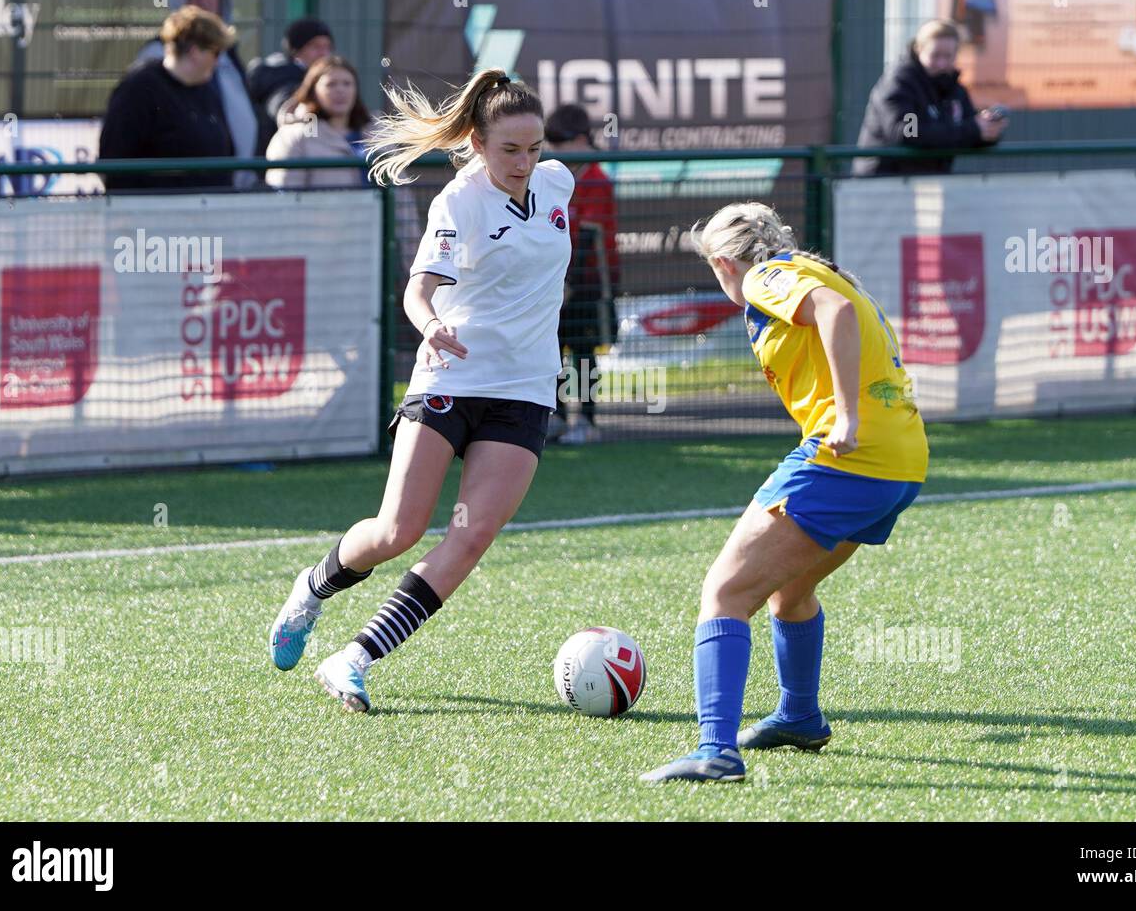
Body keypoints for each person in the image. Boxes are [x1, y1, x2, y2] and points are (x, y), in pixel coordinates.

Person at [267, 68, 575, 714]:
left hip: (524, 389)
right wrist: (432, 325)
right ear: (477, 144)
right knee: (398, 529)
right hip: (451, 378)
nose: (524, 162)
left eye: (534, 148)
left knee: (470, 536)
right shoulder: (458, 201)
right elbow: (419, 288)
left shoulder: (557, 184)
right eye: (509, 150)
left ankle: (353, 659)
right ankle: (312, 589)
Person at [641, 203, 928, 783]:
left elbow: (836, 314)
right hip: (901, 462)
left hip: (848, 459)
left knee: (724, 591)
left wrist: (845, 417)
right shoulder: (816, 268)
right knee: (788, 591)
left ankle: (714, 750)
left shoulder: (763, 277)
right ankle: (799, 715)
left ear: (723, 261)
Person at [133, 0, 258, 186]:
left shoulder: (229, 54)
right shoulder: (154, 58)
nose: (203, 3)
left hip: (231, 186)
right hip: (181, 193)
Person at [543, 104, 621, 444]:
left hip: (589, 283)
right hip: (557, 281)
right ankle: (556, 415)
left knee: (585, 352)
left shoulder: (595, 177)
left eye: (559, 144)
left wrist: (570, 283)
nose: (553, 152)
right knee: (552, 349)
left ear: (578, 140)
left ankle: (587, 420)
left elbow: (589, 237)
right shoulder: (554, 175)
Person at [98, 6, 235, 191]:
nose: (218, 62)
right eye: (216, 53)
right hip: (155, 213)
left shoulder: (207, 90)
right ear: (195, 52)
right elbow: (114, 159)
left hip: (206, 210)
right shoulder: (139, 88)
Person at [853, 19, 1007, 176]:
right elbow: (908, 131)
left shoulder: (954, 88)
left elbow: (966, 128)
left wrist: (987, 130)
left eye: (948, 56)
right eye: (935, 55)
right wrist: (973, 129)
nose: (942, 63)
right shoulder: (901, 82)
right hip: (885, 181)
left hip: (928, 181)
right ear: (919, 50)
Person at [265, 55, 372, 189]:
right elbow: (285, 195)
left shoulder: (377, 132)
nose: (340, 90)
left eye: (347, 83)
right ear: (313, 91)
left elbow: (400, 194)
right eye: (331, 84)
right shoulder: (294, 136)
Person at [247, 18, 335, 156]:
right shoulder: (283, 76)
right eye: (316, 47)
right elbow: (281, 99)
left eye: (327, 47)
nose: (324, 53)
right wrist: (295, 111)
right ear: (297, 51)